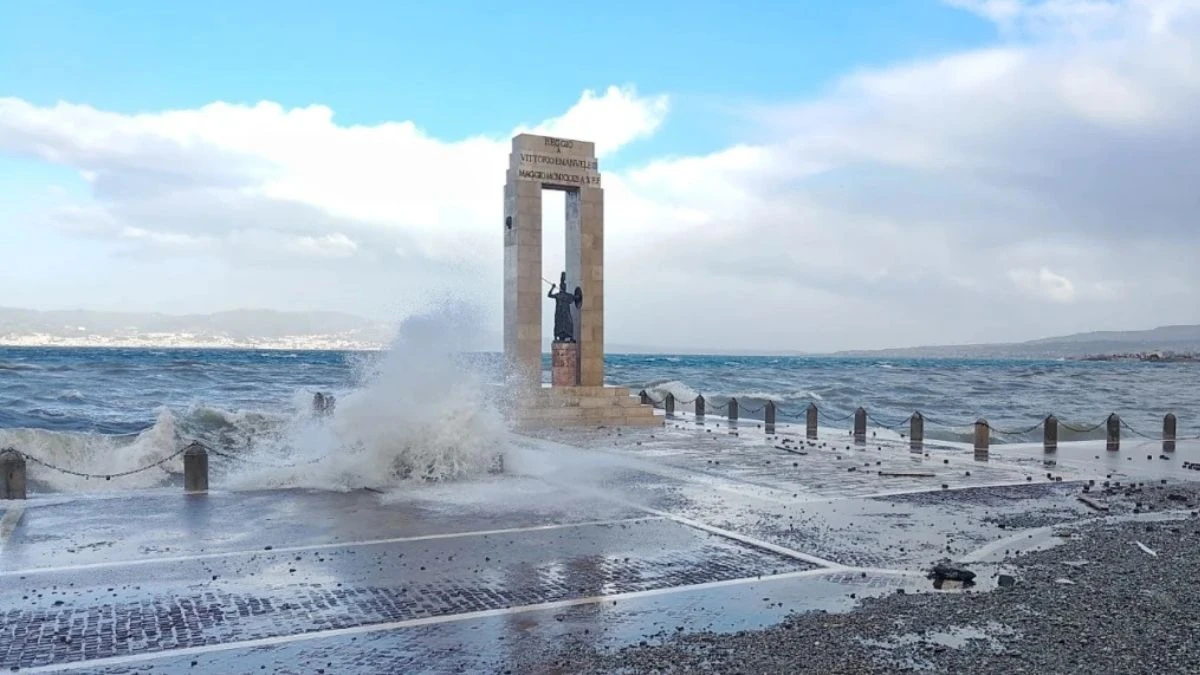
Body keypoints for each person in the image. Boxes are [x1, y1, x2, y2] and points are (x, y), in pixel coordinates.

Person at [547, 271, 577, 342]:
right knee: (558, 324)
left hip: (565, 313)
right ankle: (557, 337)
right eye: (562, 287)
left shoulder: (567, 295)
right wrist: (552, 288)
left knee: (569, 324)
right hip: (560, 313)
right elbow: (549, 295)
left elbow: (576, 297)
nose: (563, 288)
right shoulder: (558, 295)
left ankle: (570, 337)